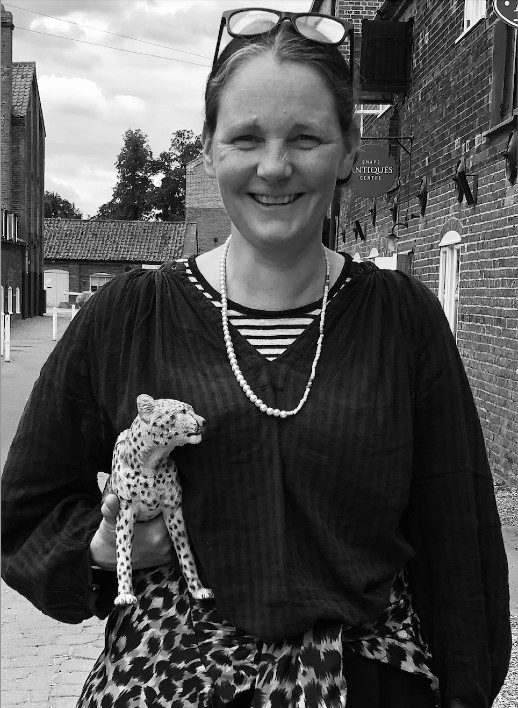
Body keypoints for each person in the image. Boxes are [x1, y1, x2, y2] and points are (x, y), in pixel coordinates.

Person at [1, 8, 510, 708]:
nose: (275, 166)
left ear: (349, 147)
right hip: (165, 679)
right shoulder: (129, 317)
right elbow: (24, 516)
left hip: (364, 682)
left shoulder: (402, 320)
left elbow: (462, 550)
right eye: (246, 138)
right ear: (209, 149)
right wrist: (106, 546)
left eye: (306, 137)